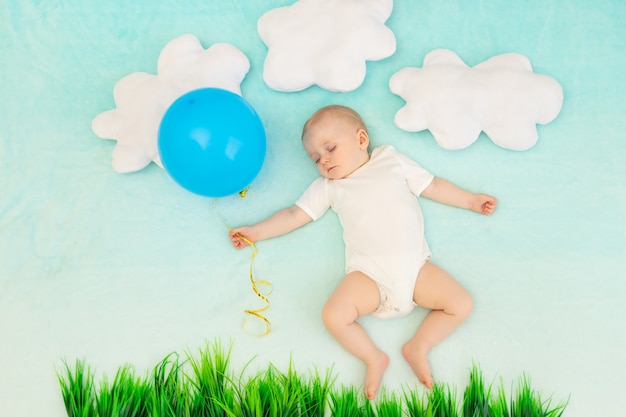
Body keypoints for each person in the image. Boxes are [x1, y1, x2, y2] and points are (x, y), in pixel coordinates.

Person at [229, 105, 497, 399]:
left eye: (330, 147)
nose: (324, 160)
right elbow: (294, 215)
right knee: (333, 316)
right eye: (316, 158)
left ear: (361, 139)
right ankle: (373, 357)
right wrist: (256, 232)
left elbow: (432, 186)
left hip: (415, 269)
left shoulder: (390, 160)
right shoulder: (329, 187)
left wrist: (470, 200)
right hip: (369, 275)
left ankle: (418, 345)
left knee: (460, 303)